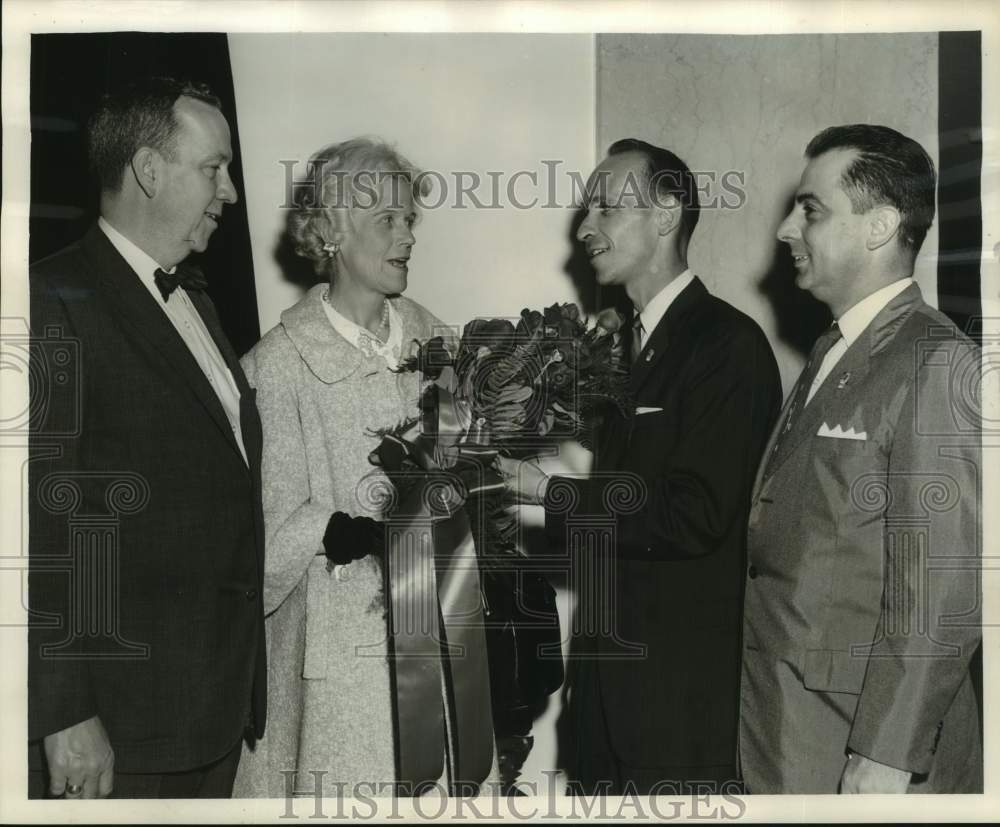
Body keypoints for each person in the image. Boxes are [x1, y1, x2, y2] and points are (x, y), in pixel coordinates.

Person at [501, 139, 782, 795]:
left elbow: (693, 513)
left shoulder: (727, 346)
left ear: (666, 214)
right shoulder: (622, 352)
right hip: (605, 708)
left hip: (677, 717)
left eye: (606, 206)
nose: (583, 226)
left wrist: (553, 493)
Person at [233, 138, 494, 798]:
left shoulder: (443, 345)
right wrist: (340, 529)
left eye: (411, 220)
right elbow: (254, 553)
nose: (407, 236)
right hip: (338, 681)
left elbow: (473, 483)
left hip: (443, 656)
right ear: (332, 233)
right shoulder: (277, 367)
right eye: (388, 221)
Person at [28, 77, 266, 798]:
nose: (228, 191)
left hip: (209, 714)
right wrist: (64, 711)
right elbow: (37, 521)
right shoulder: (49, 301)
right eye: (213, 167)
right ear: (149, 169)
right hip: (118, 731)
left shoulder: (196, 298)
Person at [739, 124, 982, 794]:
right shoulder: (830, 350)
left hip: (855, 750)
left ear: (879, 226)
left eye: (810, 210)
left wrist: (886, 755)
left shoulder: (938, 360)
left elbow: (943, 586)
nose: (787, 228)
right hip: (787, 728)